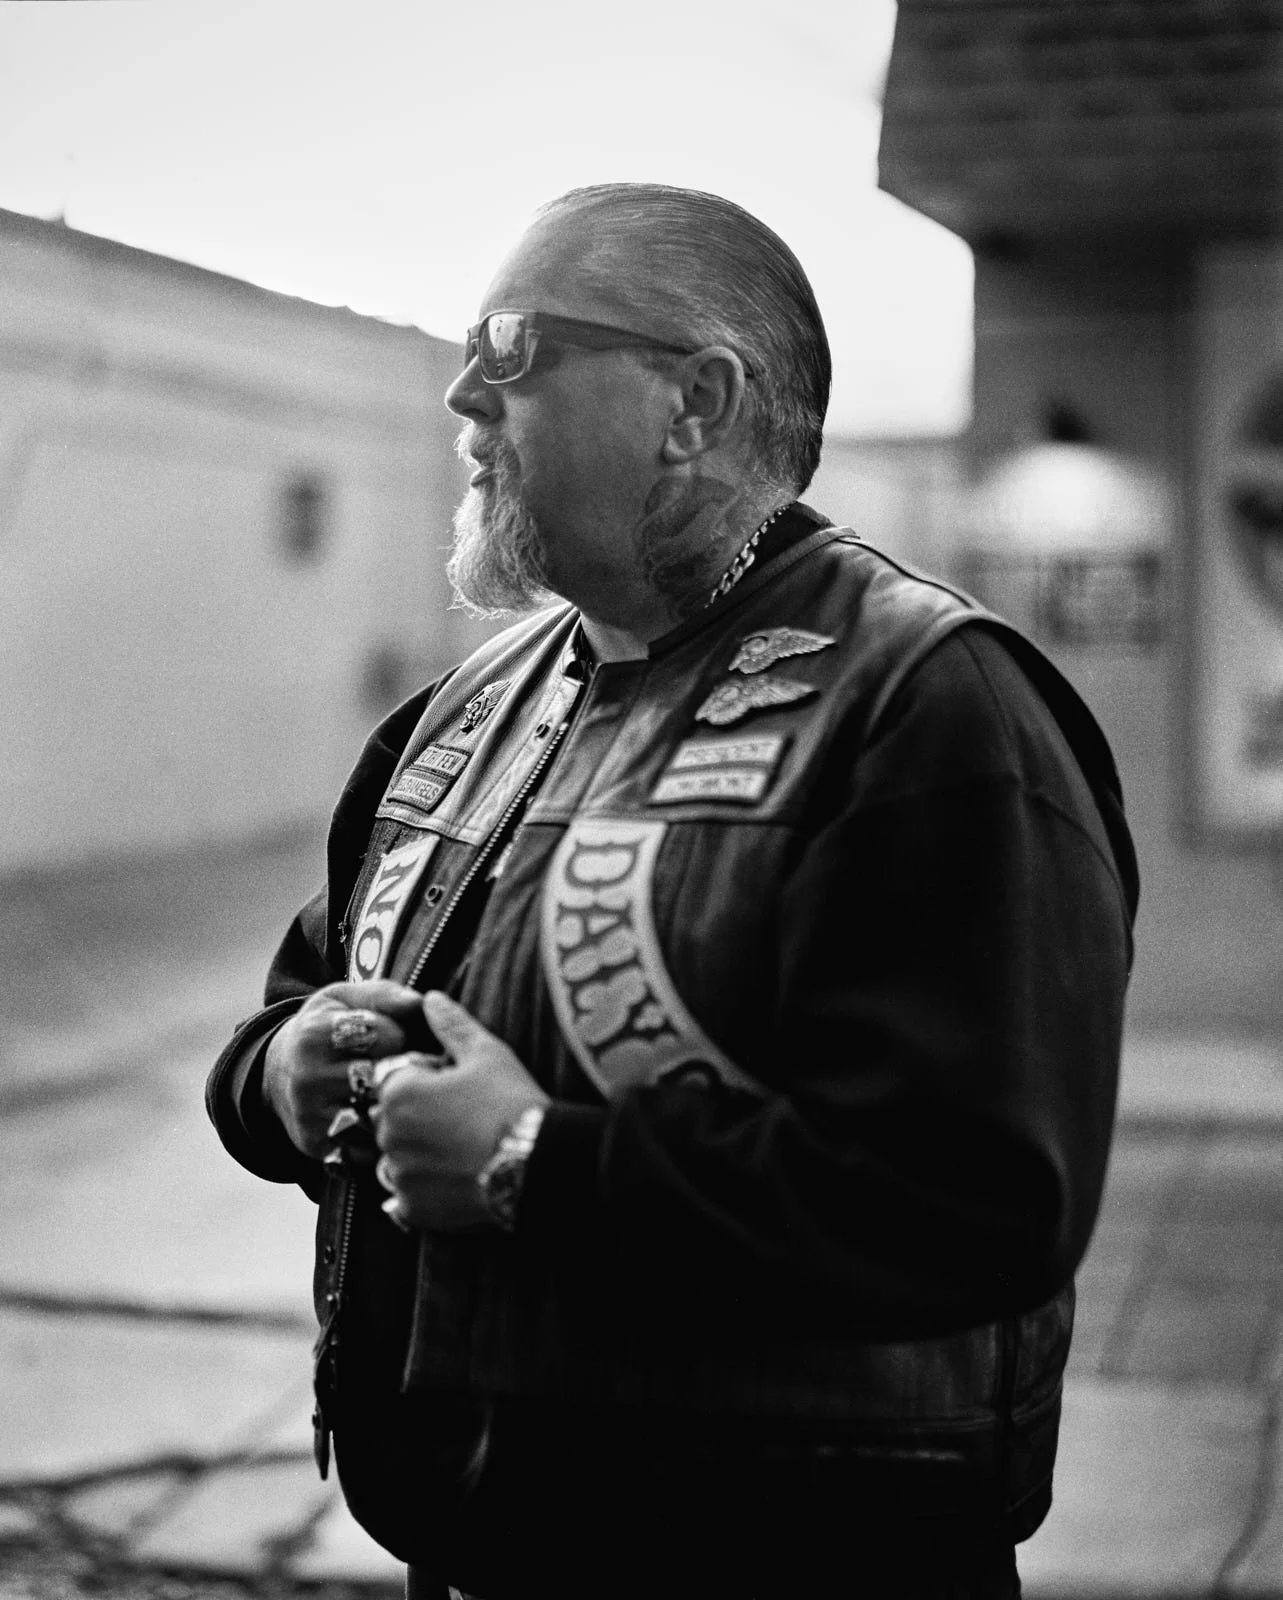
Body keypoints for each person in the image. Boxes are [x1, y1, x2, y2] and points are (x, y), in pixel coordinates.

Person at [206, 183, 1138, 1600]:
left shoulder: (927, 705)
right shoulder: (466, 710)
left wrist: (532, 1164)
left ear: (694, 401)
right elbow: (299, 994)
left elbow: (976, 1197)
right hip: (474, 1553)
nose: (462, 394)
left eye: (513, 346)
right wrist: (278, 1076)